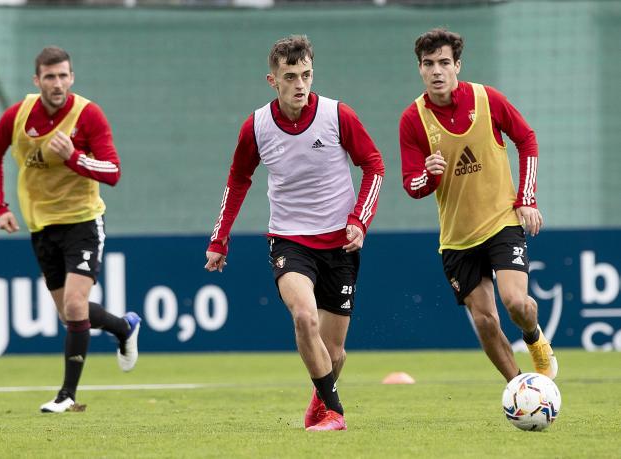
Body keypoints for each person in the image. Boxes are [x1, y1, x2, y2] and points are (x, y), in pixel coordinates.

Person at [204, 35, 385, 431]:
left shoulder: (338, 115)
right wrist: (220, 239)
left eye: (306, 74)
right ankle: (336, 412)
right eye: (291, 76)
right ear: (273, 80)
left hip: (340, 243)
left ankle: (319, 403)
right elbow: (238, 180)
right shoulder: (257, 126)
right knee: (304, 317)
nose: (300, 84)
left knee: (334, 352)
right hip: (289, 240)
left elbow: (373, 165)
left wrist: (359, 220)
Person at [0, 46, 141, 413]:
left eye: (63, 76)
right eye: (50, 77)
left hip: (83, 220)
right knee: (71, 313)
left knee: (74, 305)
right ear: (36, 80)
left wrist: (74, 156)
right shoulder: (18, 115)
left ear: (72, 77)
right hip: (41, 225)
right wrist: (0, 208)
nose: (57, 84)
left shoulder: (88, 115)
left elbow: (113, 172)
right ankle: (123, 327)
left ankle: (67, 396)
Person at [399, 28, 557, 382]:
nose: (436, 71)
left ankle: (534, 339)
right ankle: (521, 388)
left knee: (516, 304)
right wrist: (429, 175)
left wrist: (526, 199)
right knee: (485, 321)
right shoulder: (413, 119)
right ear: (420, 69)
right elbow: (411, 184)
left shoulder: (487, 99)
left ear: (458, 65)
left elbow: (526, 138)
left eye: (444, 62)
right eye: (428, 64)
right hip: (457, 238)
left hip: (502, 221)